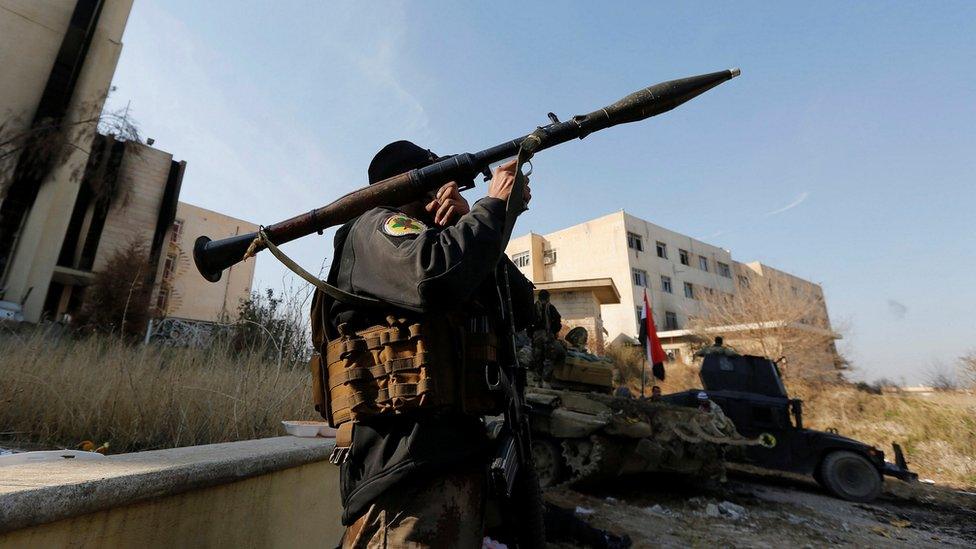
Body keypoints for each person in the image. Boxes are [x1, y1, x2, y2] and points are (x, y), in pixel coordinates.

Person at [308, 140, 537, 547]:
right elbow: (432, 276)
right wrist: (495, 206)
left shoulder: (450, 241)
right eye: (438, 181)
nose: (450, 192)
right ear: (417, 185)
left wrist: (475, 222)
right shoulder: (375, 226)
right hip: (405, 479)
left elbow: (522, 309)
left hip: (448, 465)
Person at [529, 290, 563, 383]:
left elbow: (528, 323)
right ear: (548, 298)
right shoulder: (551, 308)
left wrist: (531, 334)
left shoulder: (534, 308)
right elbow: (557, 322)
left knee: (537, 357)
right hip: (548, 334)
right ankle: (546, 379)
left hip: (536, 336)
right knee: (549, 357)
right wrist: (554, 331)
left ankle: (537, 378)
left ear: (539, 297)